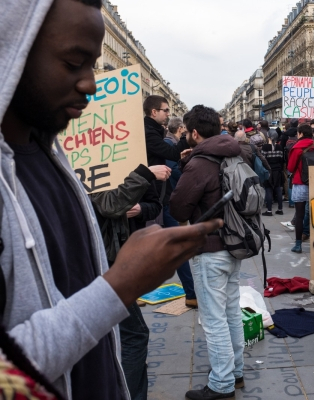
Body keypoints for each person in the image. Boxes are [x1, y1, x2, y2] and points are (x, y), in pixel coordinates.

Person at [0, 1, 222, 399]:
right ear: (11, 48)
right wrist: (118, 286)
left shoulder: (53, 158)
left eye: (93, 65)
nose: (90, 83)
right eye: (73, 62)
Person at [169, 105, 245, 400]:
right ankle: (235, 372)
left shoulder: (200, 163)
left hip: (209, 248)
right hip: (235, 243)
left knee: (213, 320)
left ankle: (222, 383)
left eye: (187, 132)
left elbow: (179, 207)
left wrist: (185, 168)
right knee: (231, 313)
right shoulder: (235, 152)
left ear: (194, 133)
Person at [90, 164, 169, 400]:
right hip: (101, 264)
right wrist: (144, 173)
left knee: (121, 335)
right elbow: (111, 204)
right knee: (134, 334)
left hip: (121, 258)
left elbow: (154, 204)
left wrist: (141, 209)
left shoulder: (131, 157)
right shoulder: (88, 163)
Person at [163, 117, 197, 307]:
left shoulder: (172, 144)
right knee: (179, 249)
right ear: (181, 129)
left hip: (170, 199)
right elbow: (173, 170)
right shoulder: (169, 145)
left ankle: (191, 292)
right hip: (168, 200)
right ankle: (191, 293)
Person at [287, 123, 314, 253]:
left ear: (300, 134)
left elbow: (290, 168)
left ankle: (298, 244)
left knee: (300, 215)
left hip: (300, 184)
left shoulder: (296, 148)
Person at [262, 131, 285, 216]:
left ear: (268, 137)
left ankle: (269, 210)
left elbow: (263, 159)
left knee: (268, 189)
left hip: (268, 171)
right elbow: (281, 159)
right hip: (278, 171)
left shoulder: (265, 147)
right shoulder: (279, 147)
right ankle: (280, 209)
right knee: (278, 188)